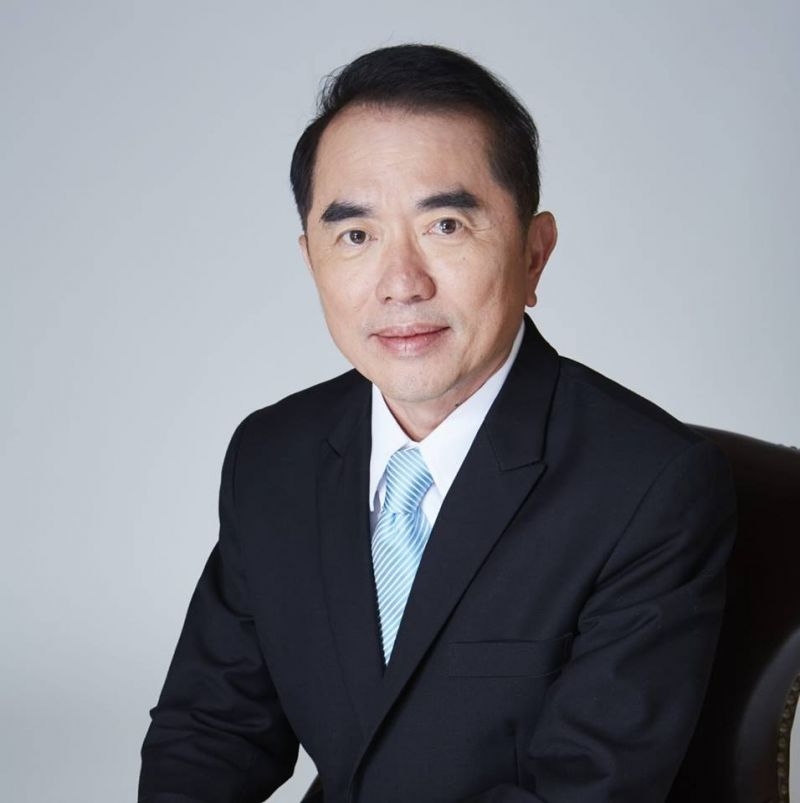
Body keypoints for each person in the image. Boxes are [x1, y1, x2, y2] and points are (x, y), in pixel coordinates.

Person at [138, 44, 736, 803]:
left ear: (534, 254)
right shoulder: (273, 455)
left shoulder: (647, 486)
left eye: (446, 225)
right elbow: (212, 729)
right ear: (311, 260)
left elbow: (582, 790)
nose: (401, 283)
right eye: (356, 236)